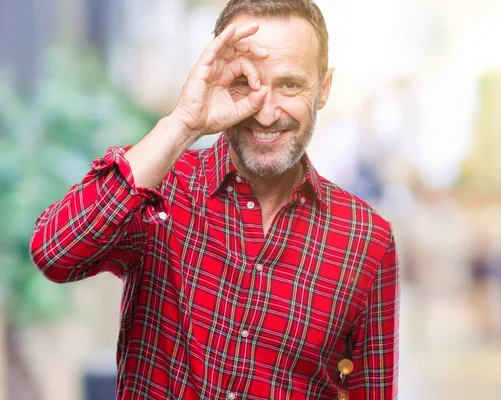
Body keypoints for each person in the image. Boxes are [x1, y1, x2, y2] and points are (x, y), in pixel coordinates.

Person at [29, 0, 400, 398]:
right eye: (245, 82)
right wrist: (183, 122)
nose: (267, 112)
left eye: (290, 84)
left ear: (323, 89)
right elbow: (55, 253)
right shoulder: (160, 186)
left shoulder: (367, 240)